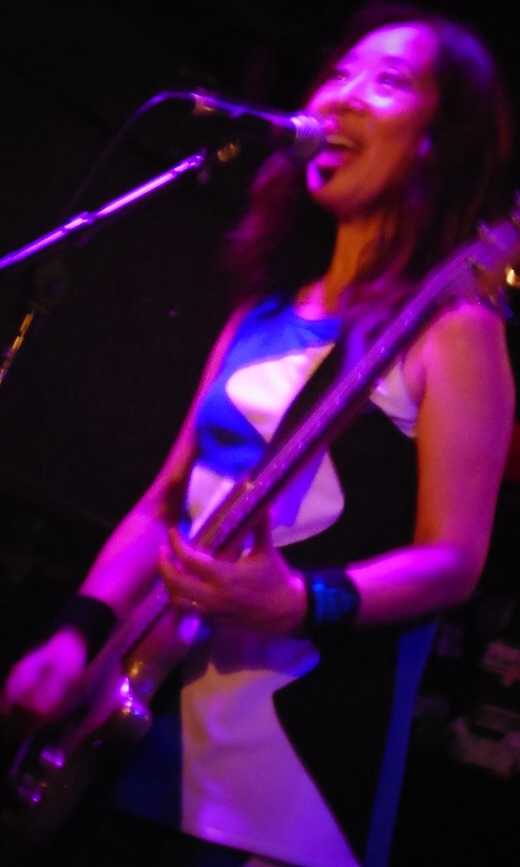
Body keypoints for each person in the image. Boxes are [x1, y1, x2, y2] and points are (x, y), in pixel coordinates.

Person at [2, 3, 516, 866]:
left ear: (438, 143)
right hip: (129, 736)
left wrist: (302, 601)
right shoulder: (260, 314)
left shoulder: (457, 331)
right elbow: (164, 503)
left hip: (279, 788)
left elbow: (454, 558)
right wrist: (75, 635)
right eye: (338, 73)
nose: (341, 95)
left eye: (387, 82)